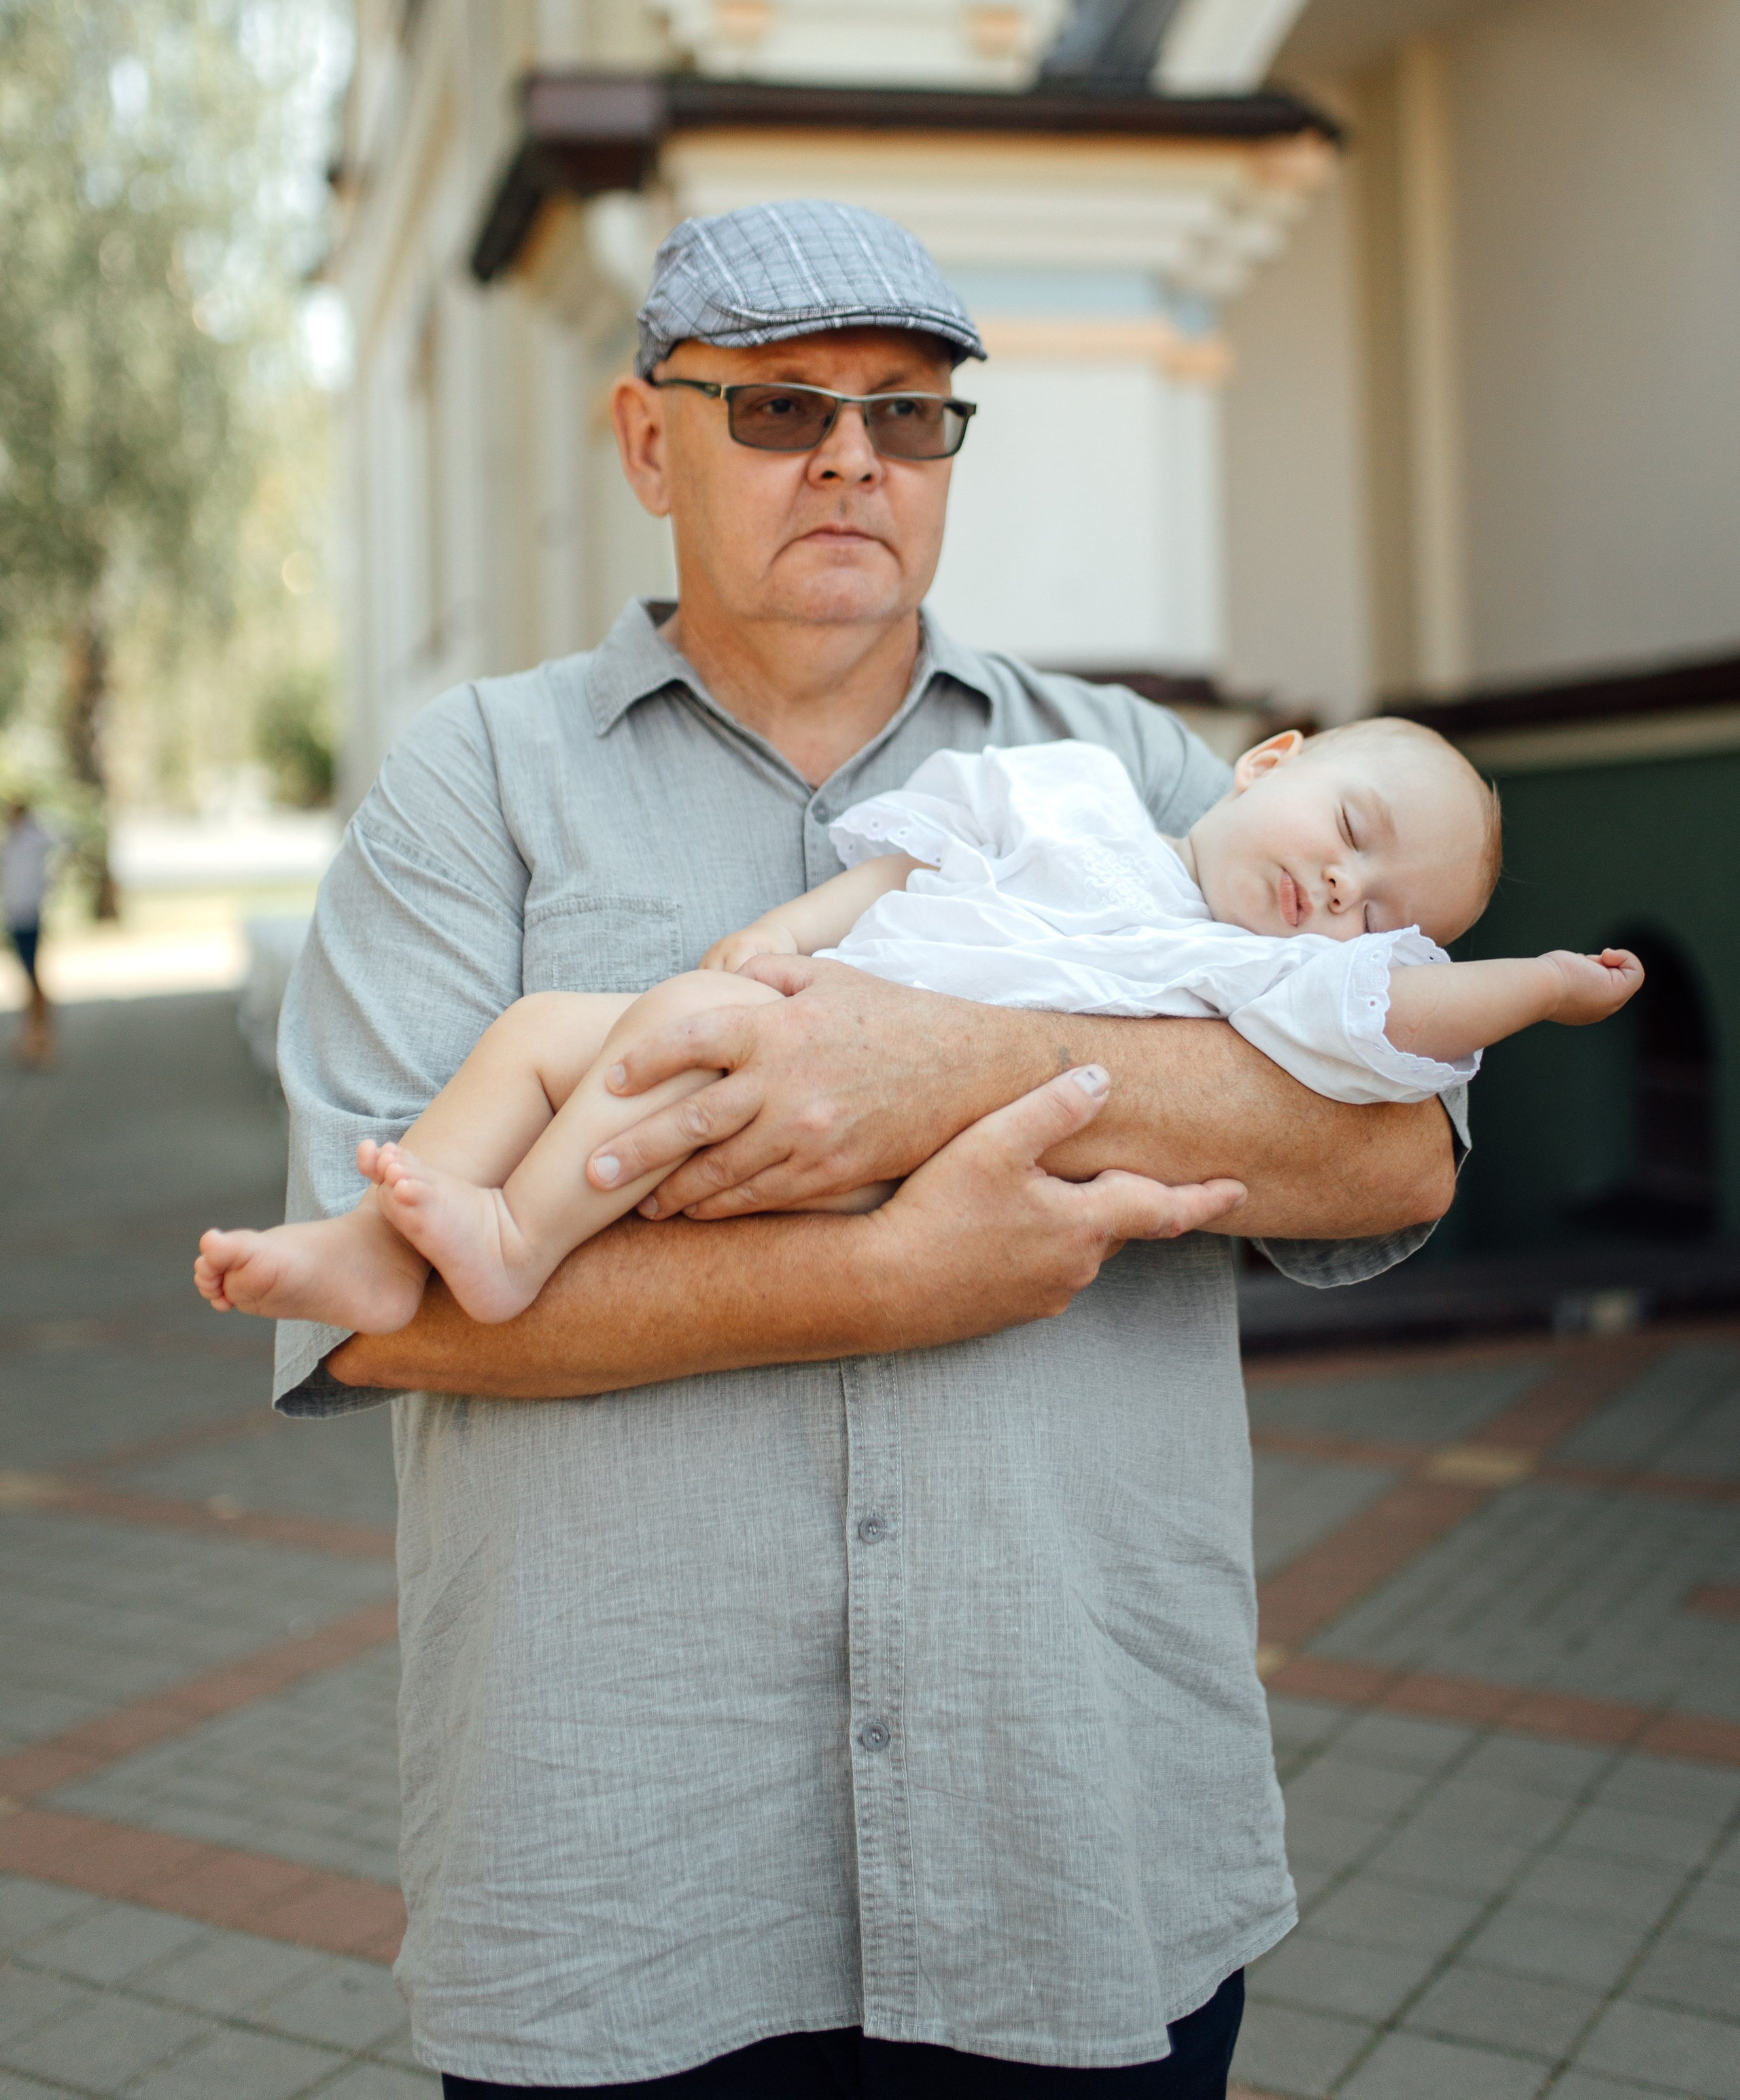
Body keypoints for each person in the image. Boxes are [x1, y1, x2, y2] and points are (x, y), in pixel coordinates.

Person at [274, 200, 1465, 2099]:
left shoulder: (1144, 775)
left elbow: (1399, 1152)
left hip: (1074, 1847)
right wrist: (886, 1280)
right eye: (779, 408)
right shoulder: (476, 785)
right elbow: (368, 1317)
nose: (853, 458)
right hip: (626, 1879)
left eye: (910, 417)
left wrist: (947, 1071)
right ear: (648, 439)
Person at [200, 722, 1641, 1337]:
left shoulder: (1242, 975)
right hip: (795, 1014)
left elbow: (1399, 1033)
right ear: (1268, 761)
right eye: (1349, 831)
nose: (1341, 887)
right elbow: (903, 872)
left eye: (1374, 905)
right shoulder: (1071, 785)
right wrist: (787, 934)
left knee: (662, 1060)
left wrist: (1536, 986)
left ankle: (512, 1247)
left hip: (905, 1146)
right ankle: (374, 1252)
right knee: (538, 1030)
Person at [3, 798, 58, 1067]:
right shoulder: (11, 843)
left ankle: (40, 1036)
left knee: (32, 976)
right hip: (15, 917)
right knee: (27, 977)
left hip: (29, 915)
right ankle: (32, 1033)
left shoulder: (34, 838)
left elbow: (61, 839)